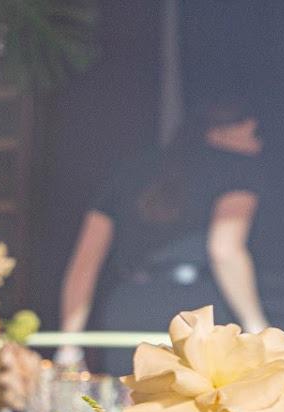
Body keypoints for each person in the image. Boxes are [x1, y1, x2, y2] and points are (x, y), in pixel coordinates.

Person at [57, 97, 270, 374]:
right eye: (256, 133)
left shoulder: (129, 171)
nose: (261, 145)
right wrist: (256, 326)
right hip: (196, 315)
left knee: (129, 398)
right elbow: (225, 250)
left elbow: (85, 262)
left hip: (127, 309)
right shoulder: (237, 169)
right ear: (219, 133)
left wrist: (69, 344)